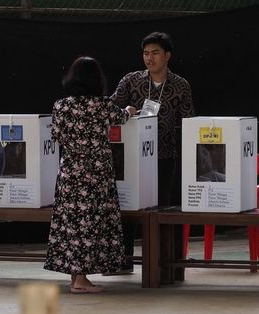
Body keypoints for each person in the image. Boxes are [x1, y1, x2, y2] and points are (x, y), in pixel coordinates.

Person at [44, 56, 137, 293]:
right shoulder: (102, 105)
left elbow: (56, 136)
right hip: (96, 173)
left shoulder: (61, 105)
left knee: (72, 225)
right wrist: (129, 109)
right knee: (91, 224)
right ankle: (82, 280)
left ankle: (75, 276)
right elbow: (122, 117)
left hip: (69, 172)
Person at [108, 31, 195, 274]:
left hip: (164, 155)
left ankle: (164, 263)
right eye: (146, 54)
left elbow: (188, 121)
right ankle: (123, 260)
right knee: (126, 208)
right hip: (129, 157)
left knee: (162, 209)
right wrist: (125, 110)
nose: (150, 58)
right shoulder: (131, 80)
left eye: (155, 53)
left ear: (167, 56)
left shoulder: (180, 85)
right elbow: (110, 107)